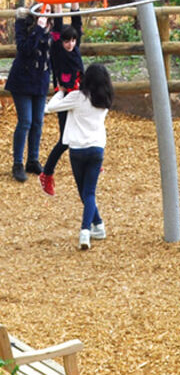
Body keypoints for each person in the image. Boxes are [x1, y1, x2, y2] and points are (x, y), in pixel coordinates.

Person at [45, 63, 114, 250]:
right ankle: (98, 225)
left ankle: (85, 231)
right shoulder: (105, 100)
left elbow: (50, 107)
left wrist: (61, 91)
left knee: (85, 192)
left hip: (77, 149)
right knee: (89, 192)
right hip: (97, 148)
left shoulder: (77, 97)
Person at [7, 6, 52, 183]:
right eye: (44, 9)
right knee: (25, 121)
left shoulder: (53, 25)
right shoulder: (23, 23)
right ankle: (17, 163)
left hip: (40, 79)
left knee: (38, 121)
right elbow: (25, 49)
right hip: (22, 80)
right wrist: (39, 28)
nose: (46, 13)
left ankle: (32, 160)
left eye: (49, 10)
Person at [41, 14, 83, 196]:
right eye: (67, 41)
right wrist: (58, 4)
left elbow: (77, 23)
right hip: (65, 98)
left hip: (78, 97)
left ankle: (91, 165)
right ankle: (47, 173)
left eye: (73, 40)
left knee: (82, 132)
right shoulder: (58, 52)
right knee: (65, 140)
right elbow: (57, 28)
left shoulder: (75, 51)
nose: (70, 44)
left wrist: (74, 1)